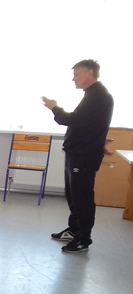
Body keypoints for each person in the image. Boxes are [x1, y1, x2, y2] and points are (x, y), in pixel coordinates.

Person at [42, 59, 114, 253]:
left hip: (84, 154)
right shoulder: (92, 95)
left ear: (90, 73)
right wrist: (99, 140)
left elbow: (74, 120)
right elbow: (91, 124)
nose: (73, 79)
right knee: (73, 195)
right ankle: (74, 230)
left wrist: (54, 107)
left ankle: (83, 239)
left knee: (82, 197)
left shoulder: (98, 95)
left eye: (76, 74)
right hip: (78, 151)